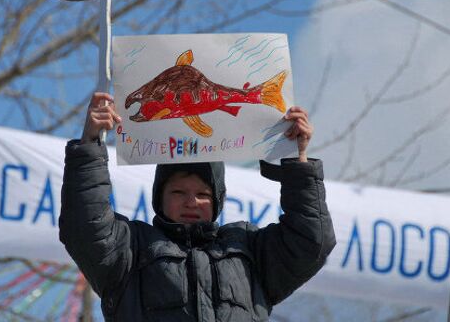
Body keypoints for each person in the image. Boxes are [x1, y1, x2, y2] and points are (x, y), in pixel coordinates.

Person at [60, 92, 335, 321]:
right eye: (178, 191)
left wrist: (297, 161)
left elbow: (312, 240)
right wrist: (89, 145)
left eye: (203, 194)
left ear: (217, 201)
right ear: (159, 198)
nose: (191, 201)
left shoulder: (250, 249)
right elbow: (85, 226)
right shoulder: (130, 250)